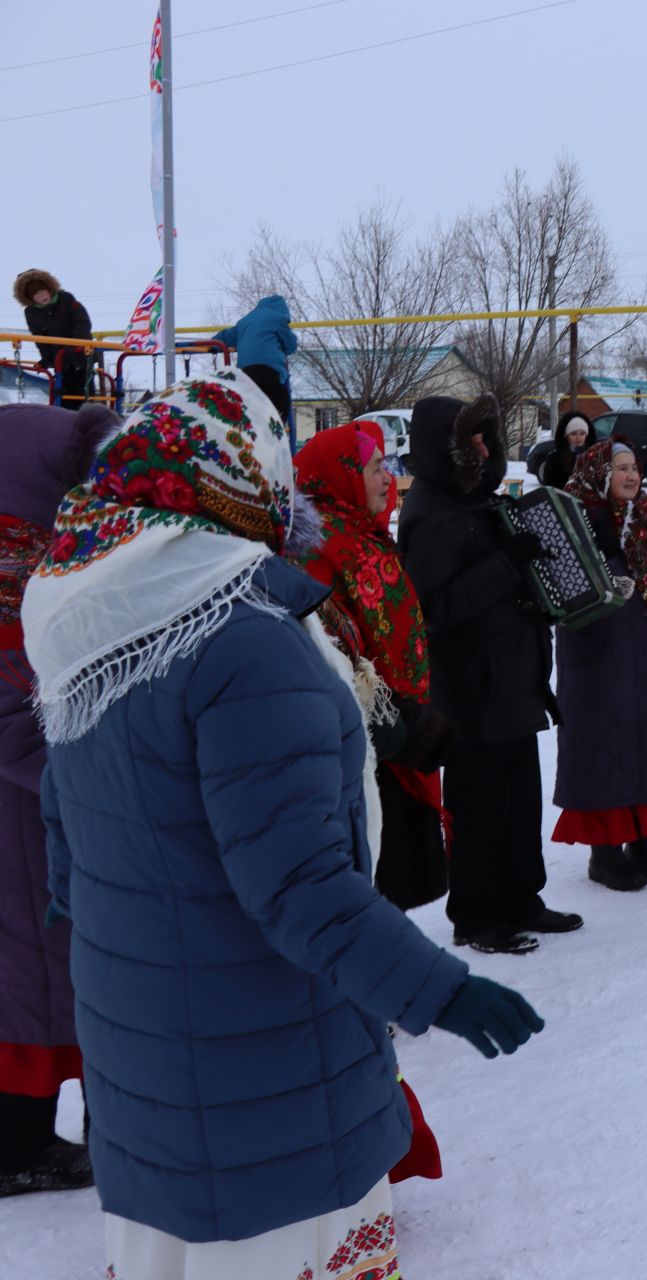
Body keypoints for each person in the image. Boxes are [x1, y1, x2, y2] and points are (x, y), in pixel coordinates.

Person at [23, 370, 542, 1277]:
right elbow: (300, 886)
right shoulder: (242, 642)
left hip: (146, 1039)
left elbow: (65, 825)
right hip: (261, 1063)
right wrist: (439, 990)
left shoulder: (97, 620)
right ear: (243, 481)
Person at [399, 393, 576, 955]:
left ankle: (521, 897)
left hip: (510, 680)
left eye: (486, 437)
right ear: (444, 447)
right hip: (471, 688)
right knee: (478, 807)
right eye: (470, 439)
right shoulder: (429, 511)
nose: (482, 447)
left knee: (520, 799)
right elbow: (434, 610)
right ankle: (477, 915)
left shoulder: (478, 500)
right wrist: (507, 564)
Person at [0, 401, 115, 1198]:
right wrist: (97, 782)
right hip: (19, 814)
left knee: (39, 976)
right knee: (30, 982)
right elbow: (13, 718)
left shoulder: (35, 555)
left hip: (35, 810)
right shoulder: (11, 571)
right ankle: (17, 1148)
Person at [292, 420, 454, 912]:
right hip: (371, 745)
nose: (388, 477)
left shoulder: (365, 533)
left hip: (403, 728)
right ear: (341, 474)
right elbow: (329, 652)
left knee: (396, 893)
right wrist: (398, 722)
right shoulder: (317, 548)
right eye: (375, 467)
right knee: (375, 888)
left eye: (386, 465)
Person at [551, 439, 647, 890]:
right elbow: (560, 596)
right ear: (599, 472)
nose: (632, 475)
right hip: (599, 657)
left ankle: (644, 841)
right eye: (621, 468)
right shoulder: (572, 518)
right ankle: (605, 856)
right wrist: (602, 594)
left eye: (634, 467)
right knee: (608, 747)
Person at [11, 270, 95, 410]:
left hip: (81, 354)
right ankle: (67, 424)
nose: (42, 295)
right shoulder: (31, 313)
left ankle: (91, 420)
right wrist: (46, 359)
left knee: (85, 392)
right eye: (36, 294)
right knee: (63, 395)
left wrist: (78, 342)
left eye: (43, 290)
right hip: (60, 359)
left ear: (50, 288)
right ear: (29, 298)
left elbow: (82, 321)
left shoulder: (66, 299)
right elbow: (40, 338)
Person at [210, 294, 298, 426]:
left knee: (252, 400)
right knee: (282, 398)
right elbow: (291, 346)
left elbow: (226, 336)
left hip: (247, 372)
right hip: (269, 370)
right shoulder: (278, 319)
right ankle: (279, 426)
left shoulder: (244, 322)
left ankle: (252, 425)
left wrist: (212, 345)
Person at [541, 410, 594, 490]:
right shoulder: (556, 458)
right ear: (566, 436)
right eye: (573, 434)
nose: (578, 437)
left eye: (582, 433)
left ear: (587, 435)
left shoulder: (594, 455)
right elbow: (550, 485)